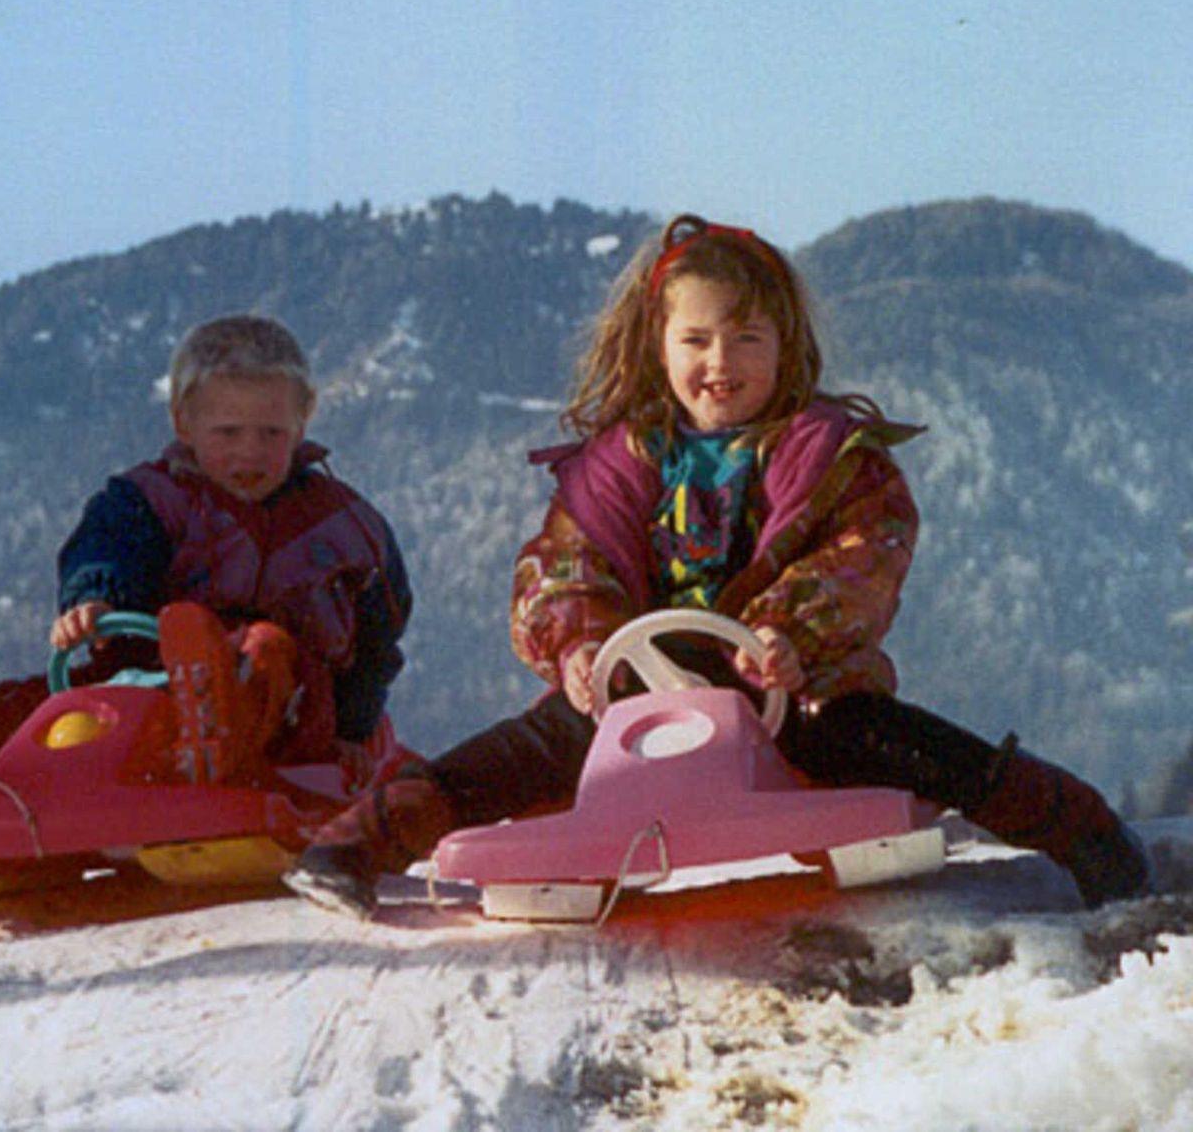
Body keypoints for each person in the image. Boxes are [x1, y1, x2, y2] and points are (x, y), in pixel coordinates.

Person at [287, 214, 1150, 919]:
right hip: (637, 686)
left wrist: (790, 632)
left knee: (902, 745)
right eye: (696, 339)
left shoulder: (830, 456)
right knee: (526, 751)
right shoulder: (620, 465)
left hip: (790, 682)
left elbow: (864, 555)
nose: (720, 363)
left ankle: (1081, 829)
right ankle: (355, 847)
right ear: (659, 345)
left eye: (746, 339)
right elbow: (562, 567)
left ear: (784, 345)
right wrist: (580, 646)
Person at [0, 312, 414, 929]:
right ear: (184, 421)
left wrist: (356, 730)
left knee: (265, 650)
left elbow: (380, 631)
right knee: (14, 719)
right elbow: (104, 550)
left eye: (271, 433)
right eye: (228, 432)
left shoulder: (346, 524)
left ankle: (214, 735)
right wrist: (94, 600)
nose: (250, 452)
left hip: (289, 711)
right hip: (139, 680)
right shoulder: (151, 499)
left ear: (303, 420)